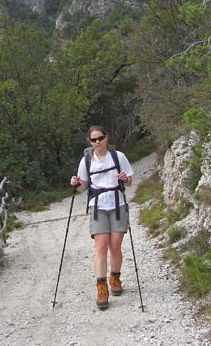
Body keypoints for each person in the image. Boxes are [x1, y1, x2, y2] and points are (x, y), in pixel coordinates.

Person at [70, 126, 134, 310]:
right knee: (100, 247)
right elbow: (83, 187)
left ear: (106, 138)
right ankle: (101, 288)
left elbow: (129, 182)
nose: (97, 142)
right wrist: (75, 183)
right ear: (90, 142)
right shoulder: (86, 161)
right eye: (93, 140)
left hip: (118, 204)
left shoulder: (118, 157)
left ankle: (115, 278)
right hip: (97, 207)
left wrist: (124, 179)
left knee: (115, 247)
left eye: (100, 138)